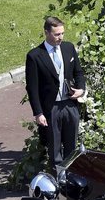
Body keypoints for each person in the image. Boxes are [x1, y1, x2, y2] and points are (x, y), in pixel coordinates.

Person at [25, 16, 86, 172]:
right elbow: (32, 88)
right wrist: (38, 113)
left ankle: (71, 178)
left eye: (62, 33)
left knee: (72, 146)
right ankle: (57, 179)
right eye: (57, 34)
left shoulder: (68, 48)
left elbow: (78, 72)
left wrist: (80, 90)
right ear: (46, 32)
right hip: (51, 108)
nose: (61, 37)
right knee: (54, 148)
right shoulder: (35, 56)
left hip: (70, 105)